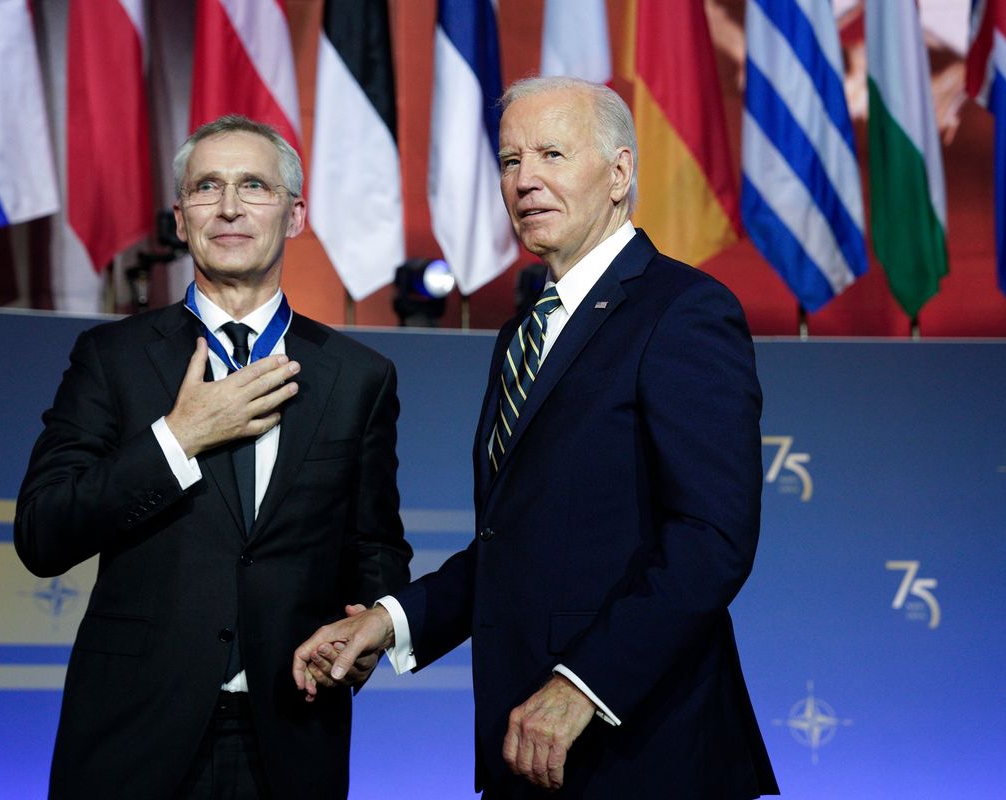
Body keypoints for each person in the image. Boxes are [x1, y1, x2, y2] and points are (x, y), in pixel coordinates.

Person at [293, 76, 779, 798]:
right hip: (526, 748)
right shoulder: (525, 332)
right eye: (511, 160)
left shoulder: (683, 311)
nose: (525, 181)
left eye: (552, 153)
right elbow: (514, 544)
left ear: (619, 173)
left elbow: (712, 538)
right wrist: (391, 623)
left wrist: (585, 686)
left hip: (646, 753)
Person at [15, 114, 411, 799]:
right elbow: (44, 532)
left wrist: (365, 634)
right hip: (133, 736)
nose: (229, 207)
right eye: (207, 188)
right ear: (180, 218)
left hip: (291, 738)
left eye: (253, 186)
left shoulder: (358, 377)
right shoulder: (112, 360)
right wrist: (178, 439)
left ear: (293, 216)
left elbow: (374, 549)